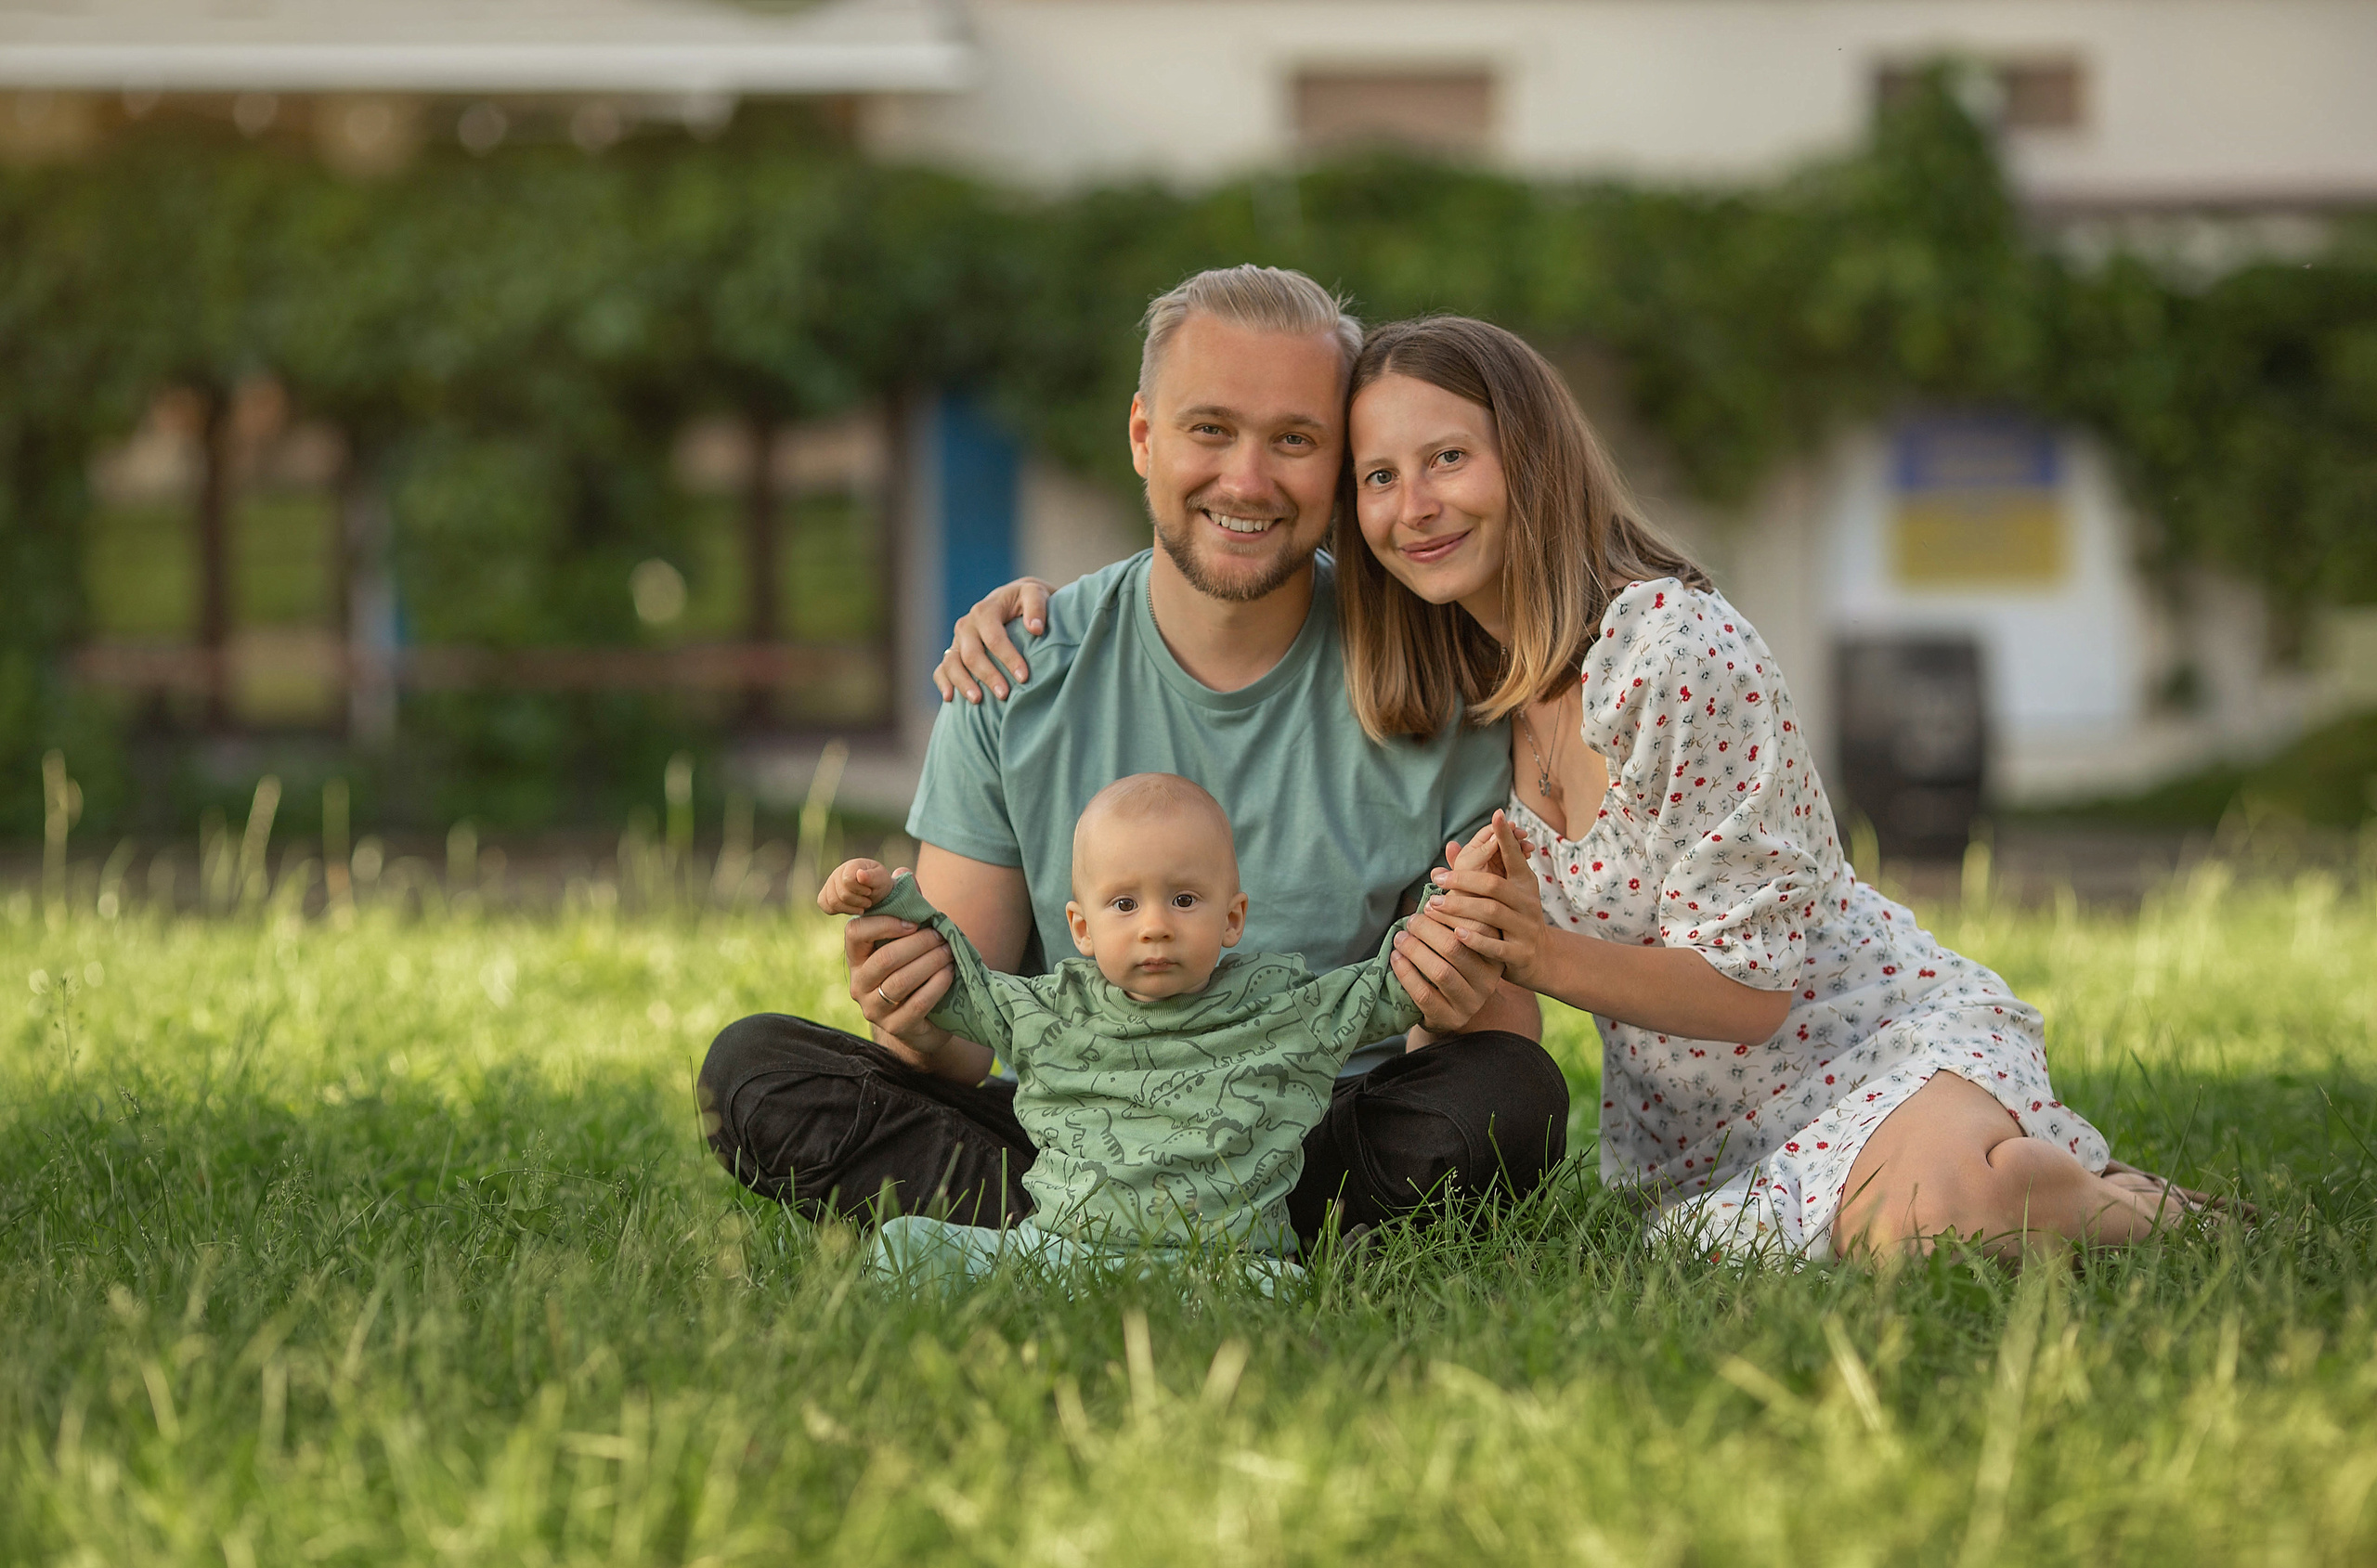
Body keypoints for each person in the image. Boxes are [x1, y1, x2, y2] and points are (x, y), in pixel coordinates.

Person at [948, 312, 2215, 1263]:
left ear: (1533, 458)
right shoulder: (1454, 675)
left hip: (1859, 1046)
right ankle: (2033, 1183)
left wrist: (1530, 950)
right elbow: (1222, 557)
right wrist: (1035, 610)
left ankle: (2146, 1216)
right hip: (1701, 1136)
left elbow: (1757, 996)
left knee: (1922, 1231)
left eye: (1448, 458)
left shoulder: (1671, 651)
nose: (1411, 506)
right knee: (1821, 1243)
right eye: (1380, 477)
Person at [697, 266, 1568, 1242]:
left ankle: (1119, 1236)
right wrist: (910, 1002)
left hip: (1309, 1140)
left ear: (1336, 464)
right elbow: (955, 1057)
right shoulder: (1015, 673)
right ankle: (1131, 1227)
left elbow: (1490, 1032)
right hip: (1067, 1135)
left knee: (1510, 1094)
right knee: (754, 1071)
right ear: (1143, 438)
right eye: (1209, 430)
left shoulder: (1433, 679)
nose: (1246, 480)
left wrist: (1449, 1005)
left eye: (1293, 439)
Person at [816, 773, 1500, 1285]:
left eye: (1183, 898)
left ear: (1233, 919)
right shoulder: (1053, 1007)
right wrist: (892, 903)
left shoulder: (1281, 1006)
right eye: (1123, 902)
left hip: (1230, 1262)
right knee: (907, 1243)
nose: (1155, 923)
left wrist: (1451, 902)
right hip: (1061, 1247)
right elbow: (955, 986)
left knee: (1281, 1284)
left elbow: (1390, 983)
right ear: (1080, 928)